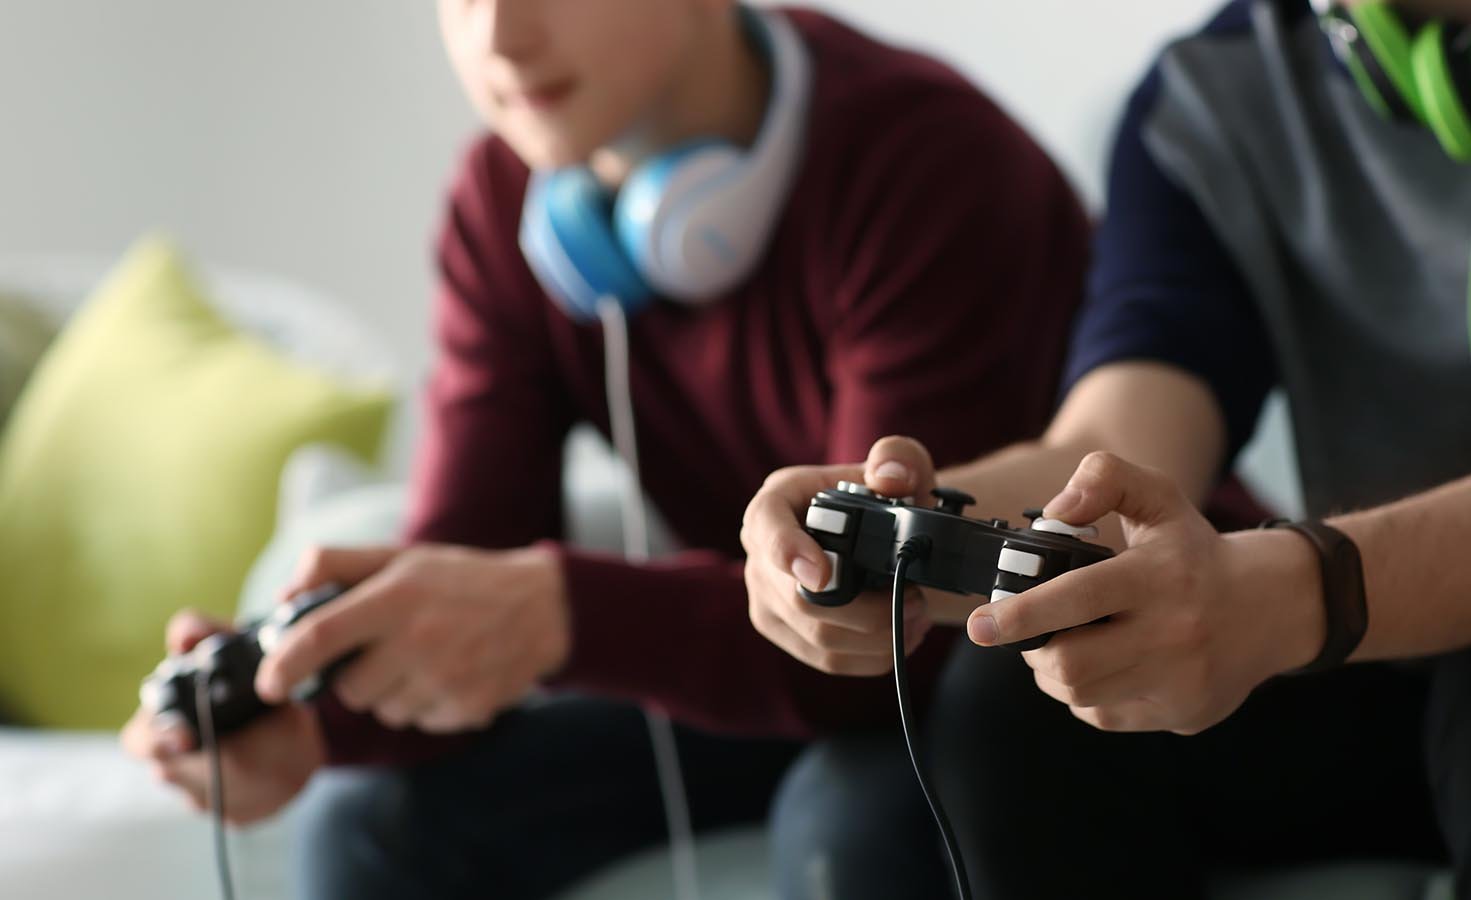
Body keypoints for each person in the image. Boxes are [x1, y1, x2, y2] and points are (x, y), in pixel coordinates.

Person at [120, 1, 1100, 897]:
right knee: (371, 824)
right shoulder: (502, 205)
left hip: (1003, 691)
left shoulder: (923, 158)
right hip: (762, 666)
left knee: (852, 822)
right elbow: (463, 563)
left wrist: (559, 614)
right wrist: (305, 712)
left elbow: (897, 630)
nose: (498, 37)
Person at [741, 0, 1471, 897]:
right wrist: (901, 533)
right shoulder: (1208, 91)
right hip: (1374, 674)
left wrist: (1286, 592)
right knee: (1018, 710)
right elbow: (1111, 450)